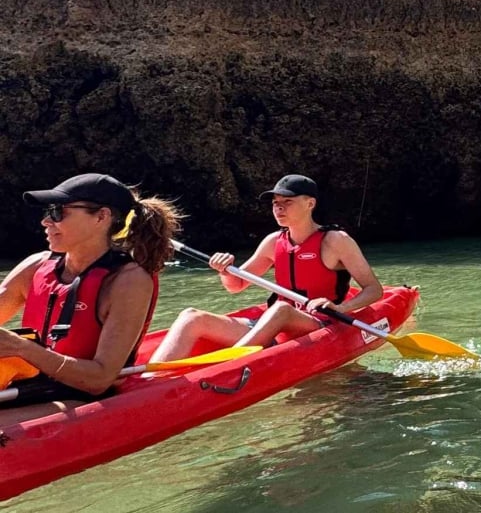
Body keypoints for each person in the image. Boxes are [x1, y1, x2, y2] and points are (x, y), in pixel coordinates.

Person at [150, 174, 382, 363]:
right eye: (275, 204)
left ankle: (227, 366)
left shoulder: (336, 241)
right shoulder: (273, 242)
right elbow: (236, 285)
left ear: (310, 204)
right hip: (273, 324)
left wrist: (340, 308)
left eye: (287, 202)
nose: (279, 208)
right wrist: (225, 270)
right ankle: (152, 378)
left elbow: (374, 289)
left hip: (319, 322)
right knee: (191, 316)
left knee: (281, 309)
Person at [0, 173, 182, 405]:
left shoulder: (128, 281)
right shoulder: (36, 265)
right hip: (28, 388)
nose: (46, 221)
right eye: (48, 212)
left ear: (101, 217)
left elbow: (99, 380)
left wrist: (21, 348)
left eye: (58, 212)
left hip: (79, 398)